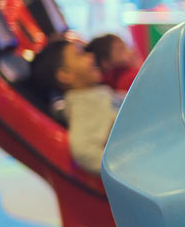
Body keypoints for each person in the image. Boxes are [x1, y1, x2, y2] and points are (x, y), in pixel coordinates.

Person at [30, 39, 119, 174]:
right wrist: (123, 167)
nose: (91, 56)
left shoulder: (92, 93)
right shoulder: (82, 106)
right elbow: (84, 152)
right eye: (80, 54)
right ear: (65, 75)